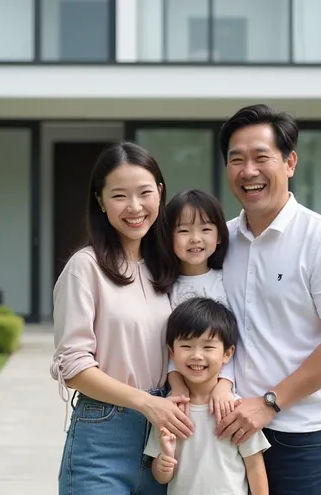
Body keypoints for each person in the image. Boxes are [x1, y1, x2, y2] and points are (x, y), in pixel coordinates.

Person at [213, 104, 321, 495]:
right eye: (236, 159)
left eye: (261, 157)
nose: (249, 171)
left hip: (300, 437)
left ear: (290, 162)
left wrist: (269, 404)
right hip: (229, 432)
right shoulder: (220, 242)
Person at [50, 142, 196, 494]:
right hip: (104, 435)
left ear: (159, 193)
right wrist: (147, 403)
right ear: (100, 202)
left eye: (144, 193)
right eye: (119, 196)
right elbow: (74, 368)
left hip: (165, 440)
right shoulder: (84, 269)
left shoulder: (170, 269)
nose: (134, 207)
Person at [144, 297, 270, 495]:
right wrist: (163, 463)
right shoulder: (167, 410)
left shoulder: (237, 410)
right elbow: (161, 477)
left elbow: (254, 466)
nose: (196, 355)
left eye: (208, 347)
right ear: (172, 352)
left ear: (227, 354)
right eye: (186, 346)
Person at [162, 190, 238, 421]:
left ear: (219, 236)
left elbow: (232, 342)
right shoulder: (163, 287)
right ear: (168, 236)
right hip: (177, 399)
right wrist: (176, 385)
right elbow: (166, 346)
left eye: (205, 229)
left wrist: (224, 385)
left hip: (220, 400)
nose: (195, 238)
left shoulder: (226, 282)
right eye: (184, 231)